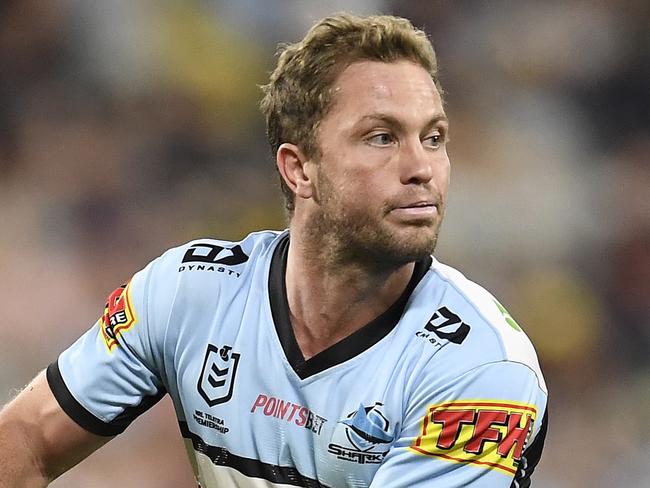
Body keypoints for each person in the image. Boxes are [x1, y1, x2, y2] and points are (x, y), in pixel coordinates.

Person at [0, 12, 548, 488]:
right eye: (382, 137)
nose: (422, 168)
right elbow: (25, 437)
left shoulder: (482, 369)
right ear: (299, 167)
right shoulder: (189, 292)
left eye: (433, 138)